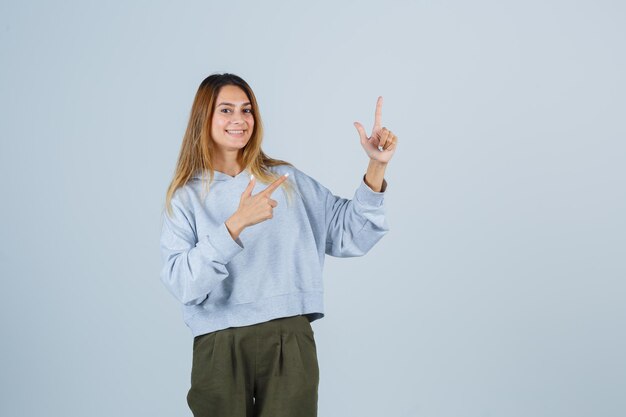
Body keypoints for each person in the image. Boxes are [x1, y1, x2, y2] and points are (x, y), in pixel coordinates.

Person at [159, 73, 398, 417]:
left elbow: (351, 234)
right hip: (219, 344)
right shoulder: (185, 198)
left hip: (289, 337)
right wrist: (235, 224)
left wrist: (376, 165)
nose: (239, 120)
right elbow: (183, 283)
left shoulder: (286, 180)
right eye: (225, 110)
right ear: (204, 118)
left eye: (247, 109)